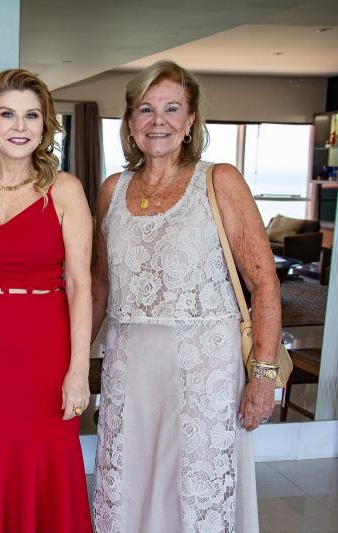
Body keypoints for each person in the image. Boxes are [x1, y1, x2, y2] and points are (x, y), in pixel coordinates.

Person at [90, 60, 280, 532]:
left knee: (196, 492)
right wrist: (73, 362)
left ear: (191, 120)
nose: (158, 121)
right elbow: (100, 284)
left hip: (204, 371)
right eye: (146, 109)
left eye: (172, 109)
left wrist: (263, 377)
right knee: (127, 484)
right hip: (129, 369)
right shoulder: (112, 190)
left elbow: (264, 283)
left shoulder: (220, 181)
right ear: (130, 121)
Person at [0, 68, 93, 533]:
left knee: (44, 458)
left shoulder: (65, 190)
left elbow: (80, 284)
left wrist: (78, 370)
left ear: (45, 126)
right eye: (8, 114)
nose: (20, 126)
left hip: (44, 355)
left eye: (32, 116)